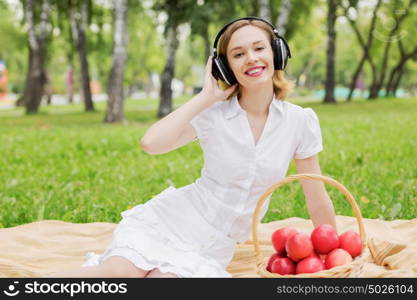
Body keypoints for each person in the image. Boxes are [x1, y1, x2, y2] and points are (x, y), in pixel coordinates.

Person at [48, 17, 336, 278]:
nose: (251, 58)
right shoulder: (214, 114)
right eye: (238, 54)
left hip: (214, 247)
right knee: (116, 274)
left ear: (277, 52)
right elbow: (150, 143)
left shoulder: (300, 121)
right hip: (173, 221)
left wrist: (333, 252)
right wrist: (206, 96)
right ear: (225, 67)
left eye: (259, 48)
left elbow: (316, 195)